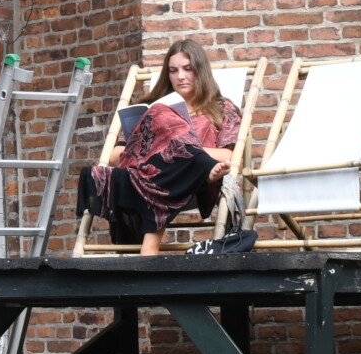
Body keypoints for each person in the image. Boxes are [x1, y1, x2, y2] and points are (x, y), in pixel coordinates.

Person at [77, 38, 243, 254]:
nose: (180, 76)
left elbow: (228, 156)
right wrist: (164, 149)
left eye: (187, 69)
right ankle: (150, 246)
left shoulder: (221, 108)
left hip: (191, 181)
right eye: (173, 71)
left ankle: (196, 163)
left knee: (167, 146)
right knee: (161, 116)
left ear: (200, 71)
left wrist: (183, 152)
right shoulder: (153, 107)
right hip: (150, 178)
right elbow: (115, 155)